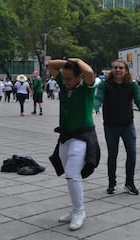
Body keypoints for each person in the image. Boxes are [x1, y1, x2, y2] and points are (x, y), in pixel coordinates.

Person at [48, 58, 100, 231]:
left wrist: (76, 61)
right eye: (64, 78)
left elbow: (90, 73)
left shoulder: (86, 90)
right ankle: (75, 209)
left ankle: (79, 211)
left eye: (69, 78)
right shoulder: (64, 87)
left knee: (71, 173)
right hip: (65, 136)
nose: (65, 81)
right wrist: (68, 65)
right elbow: (51, 65)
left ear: (79, 78)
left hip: (83, 136)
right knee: (70, 175)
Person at [94, 59, 140, 195]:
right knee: (112, 155)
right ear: (112, 70)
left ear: (126, 70)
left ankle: (129, 183)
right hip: (110, 126)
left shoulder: (132, 85)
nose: (117, 70)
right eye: (115, 67)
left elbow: (139, 101)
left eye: (121, 68)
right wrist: (94, 109)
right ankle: (111, 183)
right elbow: (98, 98)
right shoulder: (105, 84)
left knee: (132, 153)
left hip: (127, 125)